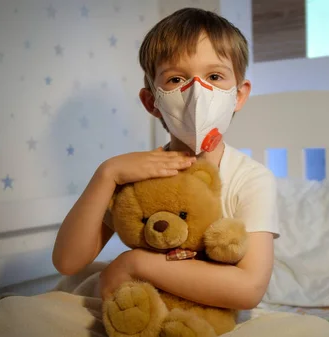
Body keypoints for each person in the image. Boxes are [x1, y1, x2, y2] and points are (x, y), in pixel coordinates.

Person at [52, 7, 280, 311]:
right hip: (136, 308)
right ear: (152, 101)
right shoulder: (133, 174)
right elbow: (68, 261)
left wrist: (136, 263)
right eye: (175, 79)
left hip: (207, 320)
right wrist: (107, 174)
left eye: (214, 76)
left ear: (239, 94)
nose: (197, 93)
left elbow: (249, 290)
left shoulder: (251, 179)